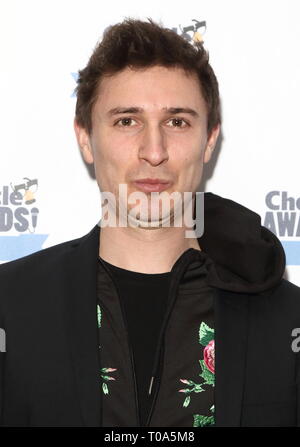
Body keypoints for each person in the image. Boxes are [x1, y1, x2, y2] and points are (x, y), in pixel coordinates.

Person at [0, 17, 299, 428]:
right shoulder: (9, 305)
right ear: (85, 137)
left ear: (209, 140)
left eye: (177, 121)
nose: (154, 151)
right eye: (127, 120)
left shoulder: (288, 321)